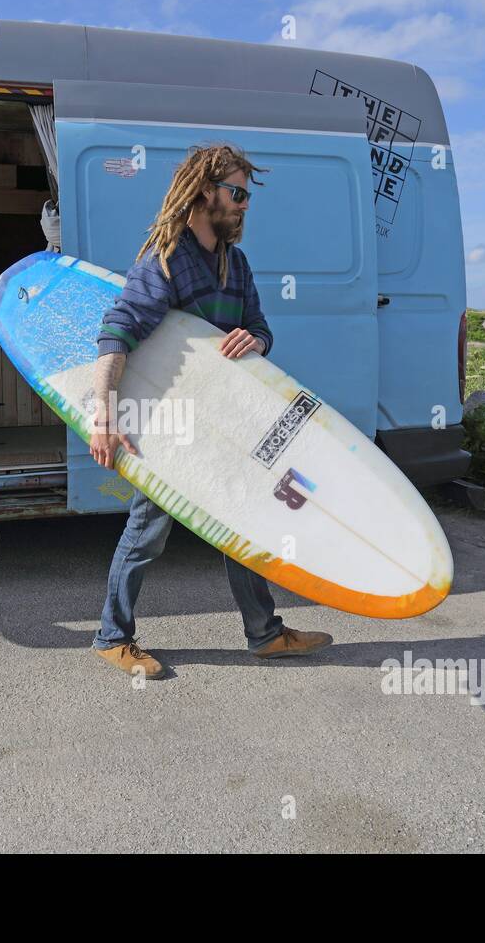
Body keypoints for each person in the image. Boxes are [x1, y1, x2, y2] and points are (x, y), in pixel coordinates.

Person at [89, 143, 333, 678]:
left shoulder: (235, 263)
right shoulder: (166, 259)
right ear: (205, 191)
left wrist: (256, 341)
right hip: (172, 427)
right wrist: (104, 416)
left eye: (247, 195)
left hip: (225, 423)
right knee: (147, 531)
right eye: (238, 193)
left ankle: (265, 634)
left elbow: (263, 329)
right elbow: (117, 332)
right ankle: (112, 636)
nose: (245, 205)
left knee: (243, 525)